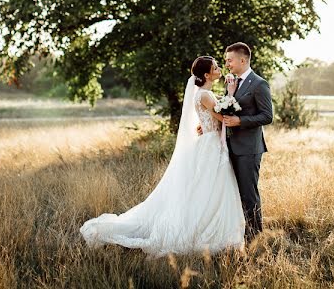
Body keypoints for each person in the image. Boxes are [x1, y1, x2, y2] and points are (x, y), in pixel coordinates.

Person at [79, 56, 245, 257]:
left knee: (208, 187)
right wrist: (231, 94)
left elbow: (213, 118)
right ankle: (208, 230)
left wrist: (216, 113)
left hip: (210, 142)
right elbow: (224, 118)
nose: (219, 69)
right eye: (216, 67)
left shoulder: (203, 94)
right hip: (210, 145)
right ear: (207, 74)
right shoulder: (206, 95)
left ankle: (218, 227)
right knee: (209, 187)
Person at [210, 42, 273, 240]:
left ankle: (255, 239)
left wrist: (240, 121)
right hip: (231, 147)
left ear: (242, 60)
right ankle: (238, 236)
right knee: (234, 195)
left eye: (229, 60)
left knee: (249, 195)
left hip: (248, 150)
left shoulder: (259, 84)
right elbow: (228, 108)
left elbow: (267, 116)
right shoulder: (233, 83)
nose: (227, 64)